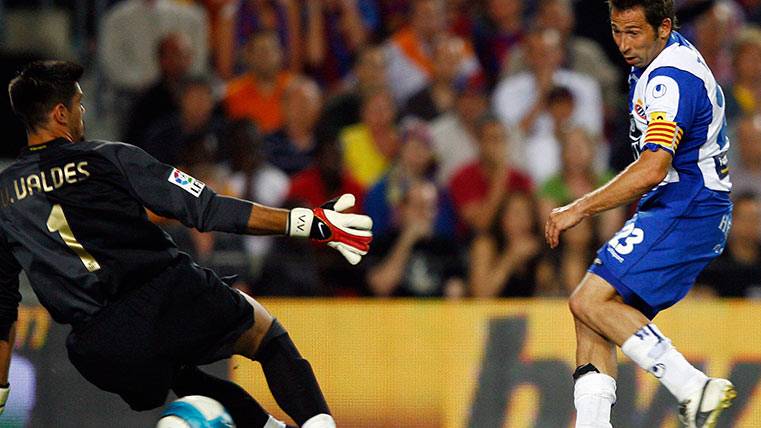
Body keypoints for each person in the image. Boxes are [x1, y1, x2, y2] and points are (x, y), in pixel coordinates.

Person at [4, 60, 373, 428]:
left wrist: (1, 393)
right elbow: (206, 209)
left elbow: (3, 312)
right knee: (266, 335)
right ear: (60, 114)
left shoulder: (3, 199)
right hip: (164, 295)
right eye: (79, 105)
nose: (83, 113)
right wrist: (305, 222)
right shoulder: (107, 159)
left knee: (179, 373)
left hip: (99, 346)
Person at [544, 1, 736, 427]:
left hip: (686, 209)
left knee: (587, 299)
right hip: (682, 207)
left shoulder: (668, 78)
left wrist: (579, 207)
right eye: (616, 31)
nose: (624, 44)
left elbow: (653, 168)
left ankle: (692, 386)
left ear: (664, 27)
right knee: (594, 317)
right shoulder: (664, 57)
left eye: (634, 33)